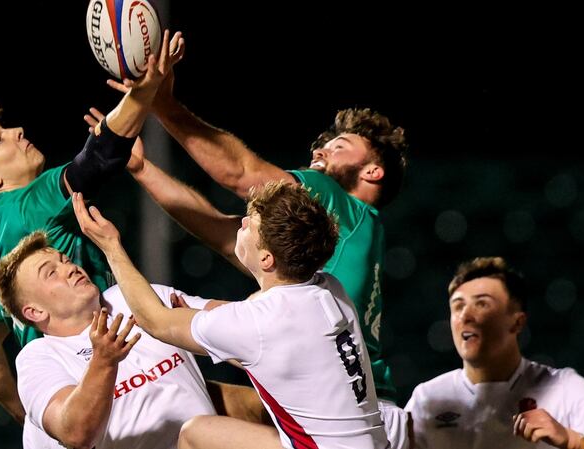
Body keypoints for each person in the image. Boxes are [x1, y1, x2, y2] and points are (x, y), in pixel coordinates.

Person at [100, 75, 410, 447]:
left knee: (184, 411)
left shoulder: (339, 201)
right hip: (368, 417)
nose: (321, 150)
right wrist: (142, 169)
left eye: (339, 146)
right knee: (199, 412)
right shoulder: (327, 283)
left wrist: (159, 102)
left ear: (372, 172)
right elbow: (223, 234)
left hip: (351, 418)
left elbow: (241, 174)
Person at [0, 30, 185, 423]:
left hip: (69, 393)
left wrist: (33, 417)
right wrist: (144, 90)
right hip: (106, 383)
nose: (17, 131)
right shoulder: (29, 205)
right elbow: (98, 157)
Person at [72, 181, 390, 449]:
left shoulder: (259, 323)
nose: (242, 223)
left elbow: (155, 321)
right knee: (201, 433)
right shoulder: (328, 287)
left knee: (194, 436)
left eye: (250, 224)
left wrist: (110, 246)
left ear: (266, 258)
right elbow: (271, 343)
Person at [0, 231, 216, 449]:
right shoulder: (38, 357)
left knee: (205, 430)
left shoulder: (132, 297)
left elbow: (237, 321)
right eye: (51, 273)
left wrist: (201, 328)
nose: (70, 268)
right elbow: (75, 433)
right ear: (35, 312)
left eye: (66, 260)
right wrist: (103, 362)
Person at [405, 257, 584, 449]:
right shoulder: (427, 398)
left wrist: (574, 440)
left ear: (517, 323)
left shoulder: (563, 388)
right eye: (457, 306)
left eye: (482, 303)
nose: (466, 315)